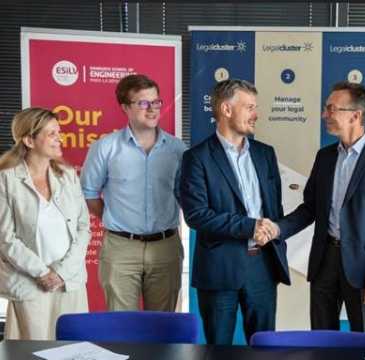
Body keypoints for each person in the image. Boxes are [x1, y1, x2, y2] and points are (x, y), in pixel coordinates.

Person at [261, 81, 365, 332]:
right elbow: (310, 208)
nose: (324, 114)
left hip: (364, 269)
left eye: (331, 108)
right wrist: (277, 228)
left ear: (355, 116)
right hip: (323, 262)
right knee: (322, 338)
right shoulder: (325, 156)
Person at [179, 79, 289, 345]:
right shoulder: (196, 158)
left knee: (264, 350)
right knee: (218, 355)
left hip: (263, 267)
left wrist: (271, 230)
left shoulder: (265, 154)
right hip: (220, 269)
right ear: (226, 110)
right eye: (249, 107)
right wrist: (250, 226)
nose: (256, 114)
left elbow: (274, 209)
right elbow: (196, 215)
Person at [80, 74, 186, 311]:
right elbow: (89, 193)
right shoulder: (105, 147)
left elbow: (186, 194)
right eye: (143, 103)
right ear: (125, 107)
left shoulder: (177, 149)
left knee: (161, 324)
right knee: (122, 324)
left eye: (156, 102)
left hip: (165, 246)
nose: (152, 109)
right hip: (120, 247)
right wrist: (117, 219)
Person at [0, 108, 90, 340]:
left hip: (69, 282)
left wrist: (60, 273)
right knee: (34, 352)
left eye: (58, 132)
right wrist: (42, 273)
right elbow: (6, 238)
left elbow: (83, 228)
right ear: (29, 141)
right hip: (29, 285)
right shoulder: (5, 179)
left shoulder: (68, 175)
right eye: (51, 133)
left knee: (73, 350)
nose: (60, 138)